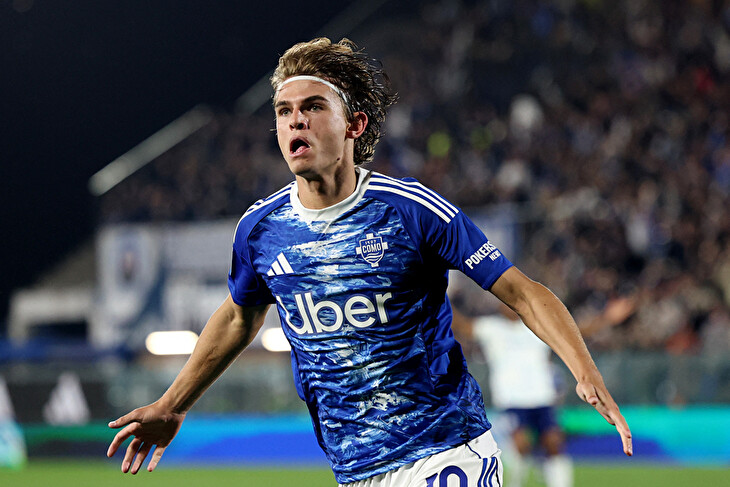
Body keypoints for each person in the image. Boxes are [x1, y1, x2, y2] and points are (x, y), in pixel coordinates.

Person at [106, 37, 632, 486]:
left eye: (313, 106)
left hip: (445, 451)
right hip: (355, 469)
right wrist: (173, 404)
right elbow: (239, 317)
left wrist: (583, 369)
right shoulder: (260, 230)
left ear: (354, 125)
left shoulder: (412, 211)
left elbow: (521, 291)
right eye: (284, 111)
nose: (295, 120)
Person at [452, 304, 573, 487]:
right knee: (520, 446)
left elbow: (572, 332)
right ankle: (515, 481)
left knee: (553, 443)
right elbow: (463, 325)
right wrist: (438, 297)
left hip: (542, 396)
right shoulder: (492, 327)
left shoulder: (537, 327)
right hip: (512, 399)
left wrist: (606, 318)